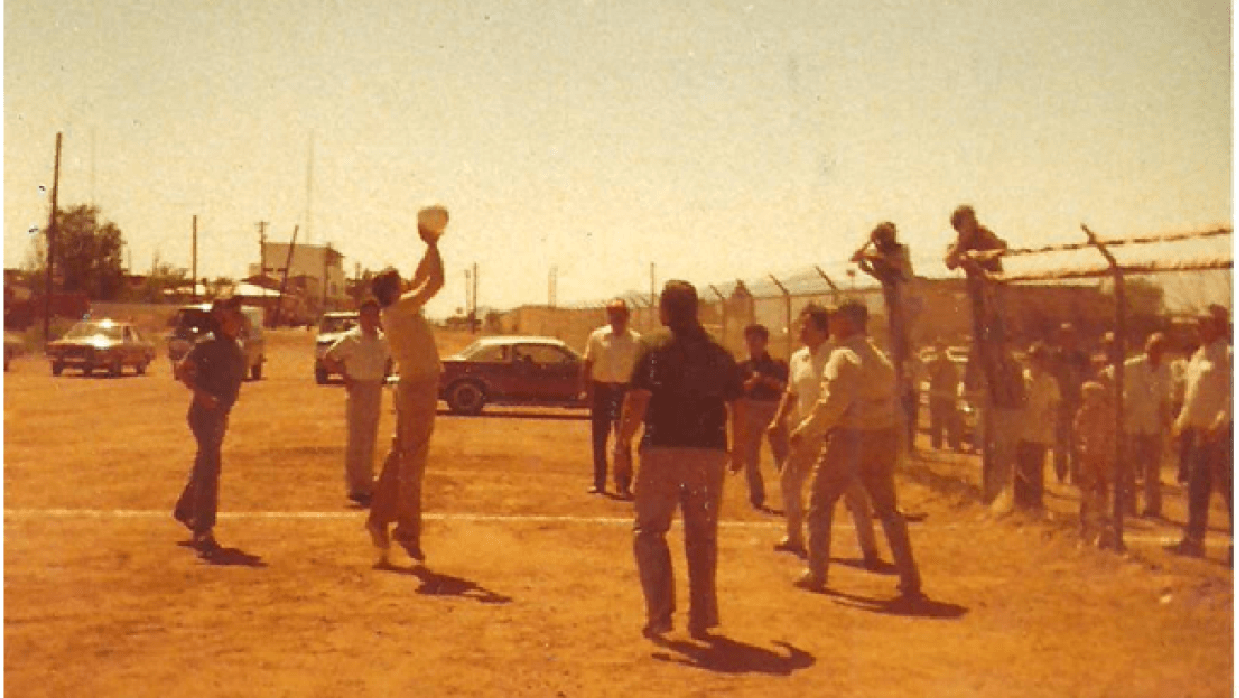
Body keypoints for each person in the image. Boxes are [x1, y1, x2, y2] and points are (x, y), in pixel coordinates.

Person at [618, 280, 745, 640]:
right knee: (702, 536)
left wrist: (622, 445)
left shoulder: (653, 347)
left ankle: (660, 614)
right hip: (709, 454)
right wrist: (739, 447)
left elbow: (638, 401)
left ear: (666, 310)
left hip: (663, 452)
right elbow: (737, 403)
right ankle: (702, 617)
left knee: (649, 532)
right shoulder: (719, 353)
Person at [788, 301, 922, 599]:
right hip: (881, 436)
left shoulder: (842, 357)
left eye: (836, 318)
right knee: (888, 508)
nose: (831, 323)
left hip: (849, 437)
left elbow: (832, 404)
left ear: (849, 321)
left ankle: (816, 572)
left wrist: (806, 431)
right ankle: (910, 576)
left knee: (821, 502)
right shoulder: (880, 358)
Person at [365, 205, 447, 566]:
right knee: (412, 463)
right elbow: (435, 282)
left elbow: (418, 280)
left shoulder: (396, 308)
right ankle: (406, 531)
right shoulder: (401, 309)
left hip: (414, 386)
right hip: (418, 389)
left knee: (402, 458)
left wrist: (428, 249)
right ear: (393, 290)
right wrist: (435, 244)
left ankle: (380, 521)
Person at [768, 304, 879, 563]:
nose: (801, 330)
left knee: (853, 491)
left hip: (835, 434)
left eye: (807, 326)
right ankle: (794, 536)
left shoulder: (837, 356)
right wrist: (778, 420)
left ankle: (869, 549)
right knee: (789, 481)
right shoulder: (798, 358)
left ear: (823, 330)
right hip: (805, 434)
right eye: (801, 325)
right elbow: (791, 392)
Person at [172, 296, 248, 555]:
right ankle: (203, 530)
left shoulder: (237, 346)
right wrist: (200, 393)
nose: (236, 320)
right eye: (231, 315)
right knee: (210, 467)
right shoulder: (206, 344)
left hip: (220, 414)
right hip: (203, 414)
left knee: (205, 463)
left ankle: (185, 508)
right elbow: (181, 369)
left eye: (238, 315)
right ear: (221, 318)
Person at [1168, 306, 1233, 560]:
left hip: (1222, 433)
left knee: (1229, 491)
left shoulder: (1229, 354)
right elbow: (1191, 396)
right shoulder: (1197, 356)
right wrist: (1180, 424)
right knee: (1197, 488)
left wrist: (1221, 423)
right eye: (1198, 323)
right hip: (1198, 433)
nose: (1199, 328)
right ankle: (1194, 541)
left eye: (1204, 323)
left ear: (1218, 325)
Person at [323, 298, 392, 507]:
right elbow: (328, 358)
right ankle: (355, 487)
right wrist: (345, 376)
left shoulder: (382, 339)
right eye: (369, 315)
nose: (373, 319)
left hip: (374, 388)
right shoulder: (350, 338)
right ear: (361, 316)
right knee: (357, 439)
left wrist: (384, 375)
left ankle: (367, 482)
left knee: (370, 436)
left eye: (376, 315)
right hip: (358, 388)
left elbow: (389, 358)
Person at [854, 222, 917, 447]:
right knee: (895, 360)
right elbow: (877, 271)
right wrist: (863, 261)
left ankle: (908, 434)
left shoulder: (899, 251)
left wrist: (873, 254)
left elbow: (896, 265)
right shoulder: (881, 256)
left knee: (904, 360)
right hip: (893, 308)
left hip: (906, 306)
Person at [580, 299, 641, 497]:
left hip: (625, 392)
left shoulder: (637, 341)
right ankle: (599, 483)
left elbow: (640, 371)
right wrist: (586, 391)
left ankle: (623, 484)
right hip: (601, 391)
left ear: (627, 315)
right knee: (599, 439)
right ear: (608, 316)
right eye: (612, 314)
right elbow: (587, 364)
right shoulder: (597, 337)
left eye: (620, 314)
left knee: (623, 439)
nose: (616, 318)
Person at [1106, 333, 1171, 517]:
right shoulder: (1131, 365)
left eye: (1160, 348)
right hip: (1131, 423)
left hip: (1153, 424)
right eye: (1153, 347)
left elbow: (1166, 400)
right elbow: (1107, 374)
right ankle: (1128, 506)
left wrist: (1168, 425)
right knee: (1128, 467)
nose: (1156, 351)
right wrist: (1118, 405)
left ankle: (1152, 508)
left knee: (1153, 469)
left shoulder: (1166, 370)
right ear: (1146, 347)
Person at [736, 323, 789, 510]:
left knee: (782, 454)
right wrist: (749, 384)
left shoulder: (777, 365)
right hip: (750, 409)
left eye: (756, 340)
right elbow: (735, 390)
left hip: (773, 409)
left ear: (765, 342)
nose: (752, 344)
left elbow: (786, 388)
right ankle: (756, 496)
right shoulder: (741, 367)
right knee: (751, 456)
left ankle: (790, 494)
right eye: (748, 340)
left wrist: (765, 380)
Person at [1015, 342, 1060, 510]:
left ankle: (1035, 503)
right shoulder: (1022, 378)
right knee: (1020, 468)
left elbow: (1053, 409)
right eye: (1034, 360)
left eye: (1041, 360)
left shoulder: (1051, 383)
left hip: (1039, 433)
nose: (1037, 364)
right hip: (1021, 430)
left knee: (1036, 469)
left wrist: (1051, 432)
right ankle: (1020, 504)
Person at [1075, 381, 1115, 547]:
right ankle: (1084, 527)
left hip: (1101, 457)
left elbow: (1110, 434)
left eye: (1092, 395)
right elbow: (1078, 433)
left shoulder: (1106, 414)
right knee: (1086, 491)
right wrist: (1082, 446)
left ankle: (1102, 527)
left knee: (1101, 489)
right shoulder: (1082, 413)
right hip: (1087, 456)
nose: (1088, 400)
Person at [1052, 323, 1092, 484]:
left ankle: (1076, 475)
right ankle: (1061, 472)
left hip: (1077, 403)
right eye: (1064, 336)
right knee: (1060, 440)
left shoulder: (1082, 358)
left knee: (1076, 440)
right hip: (1061, 403)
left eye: (1070, 336)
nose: (1067, 339)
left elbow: (1088, 377)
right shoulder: (1055, 357)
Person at [926, 341, 963, 451]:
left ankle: (953, 444)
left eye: (943, 350)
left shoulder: (952, 364)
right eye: (939, 350)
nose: (941, 353)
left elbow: (956, 379)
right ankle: (936, 444)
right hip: (937, 395)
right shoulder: (933, 363)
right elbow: (930, 374)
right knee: (936, 421)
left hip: (948, 396)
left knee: (951, 421)